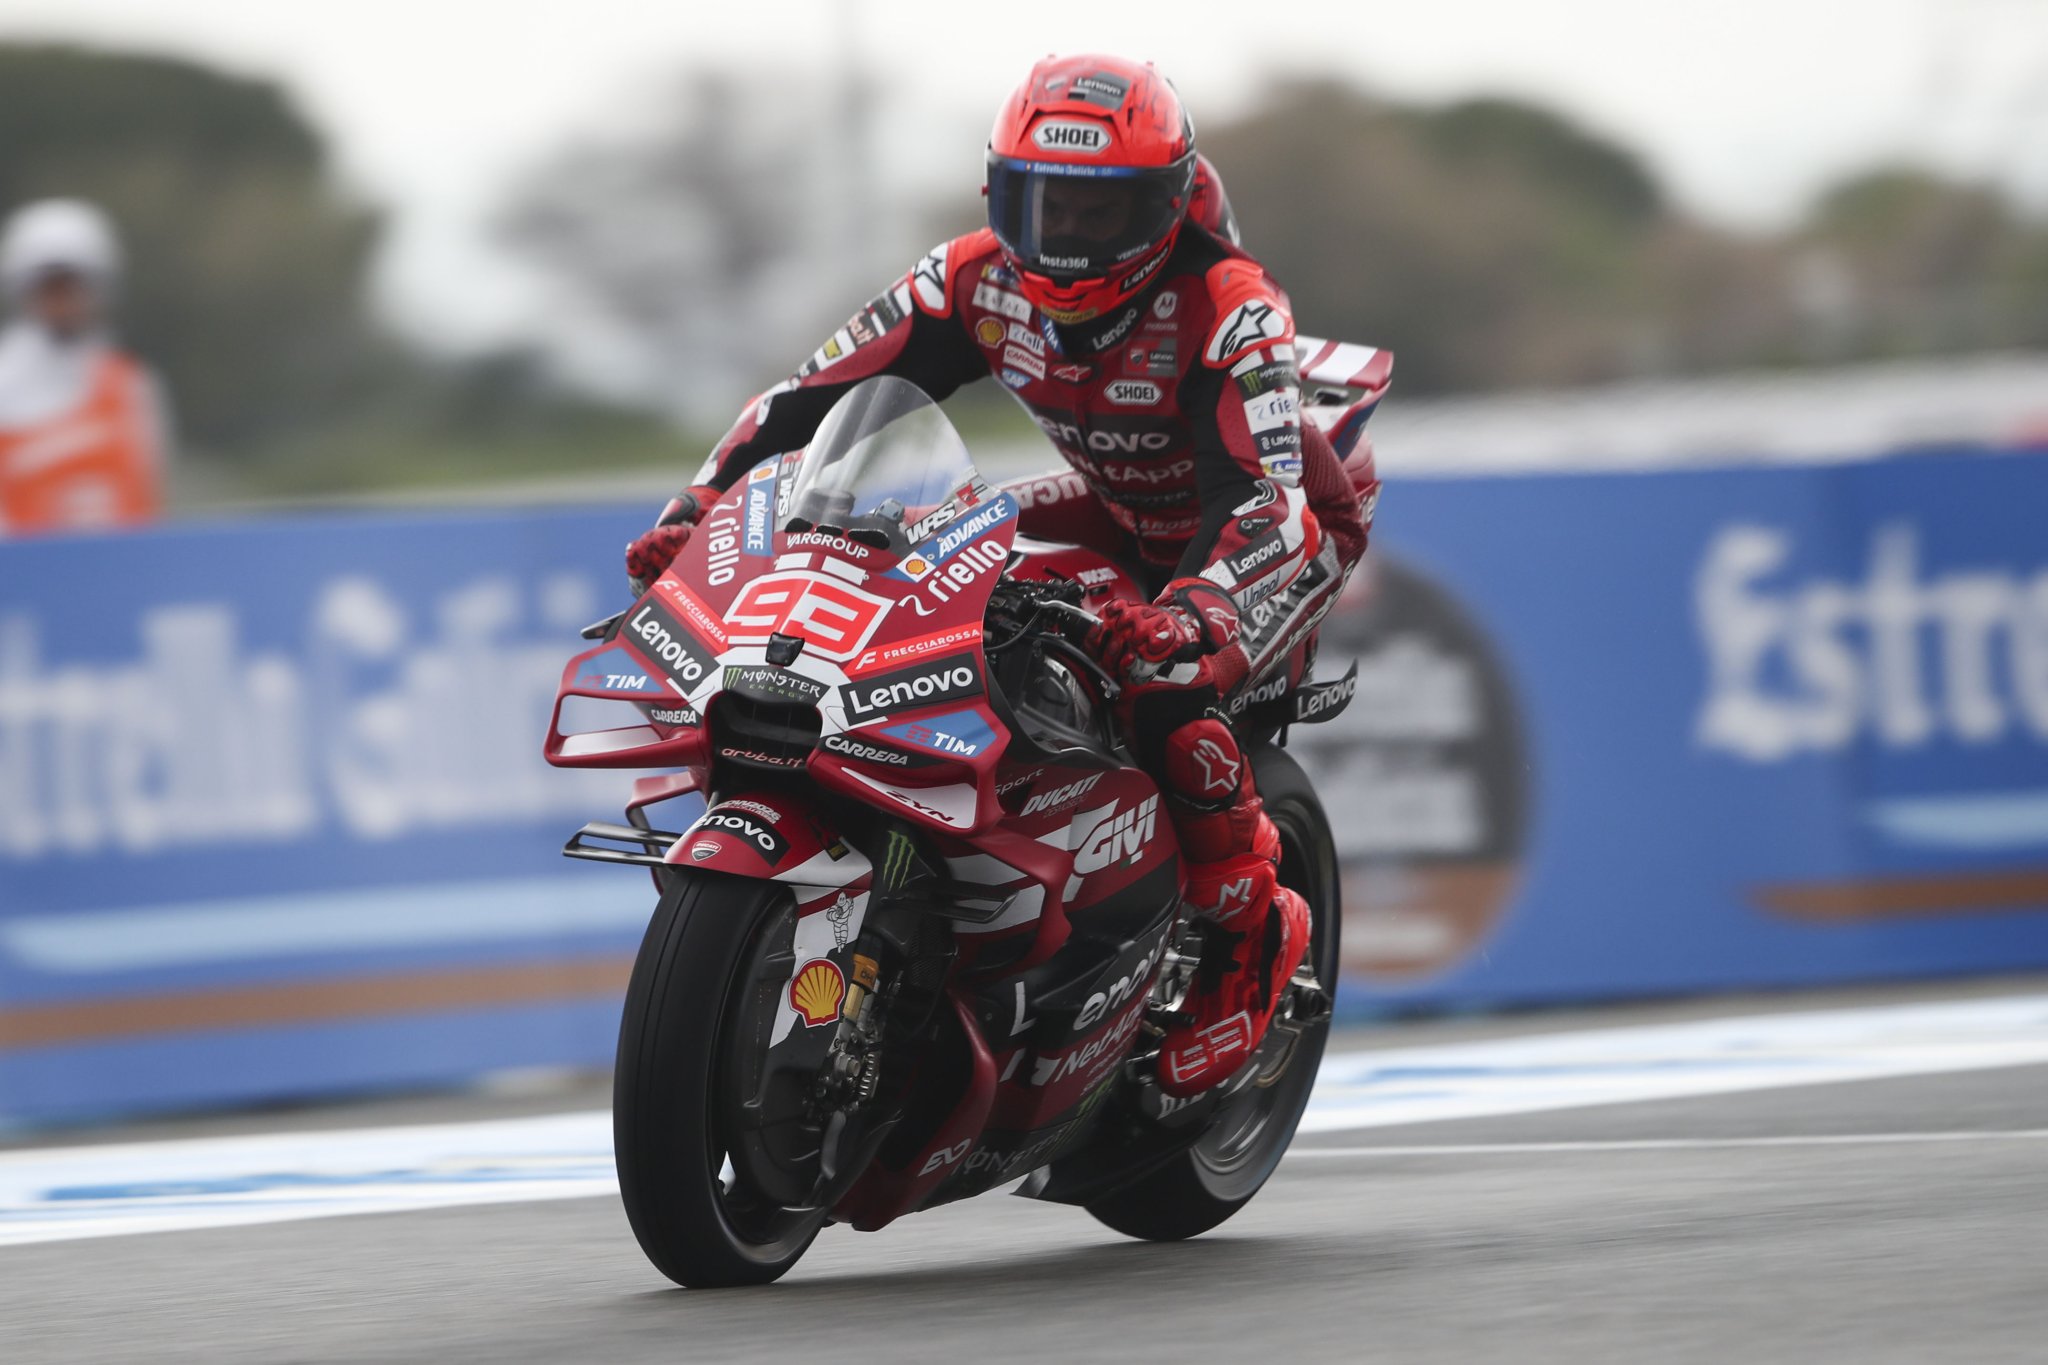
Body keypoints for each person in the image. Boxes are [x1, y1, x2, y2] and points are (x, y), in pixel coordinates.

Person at [626, 55, 1378, 1096]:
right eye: (1040, 204)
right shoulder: (968, 277)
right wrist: (694, 509)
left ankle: (1247, 935)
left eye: (1096, 213)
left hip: (1264, 524)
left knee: (1159, 676)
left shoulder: (1228, 304)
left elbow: (1270, 499)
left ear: (1164, 208)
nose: (1063, 238)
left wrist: (1198, 609)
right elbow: (802, 402)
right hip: (1114, 504)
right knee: (925, 565)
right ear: (997, 194)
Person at [0, 199, 170, 535]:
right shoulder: (6, 384)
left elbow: (152, 495)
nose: (63, 300)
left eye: (73, 285)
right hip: (27, 578)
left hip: (120, 572)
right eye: (50, 287)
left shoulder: (131, 385)